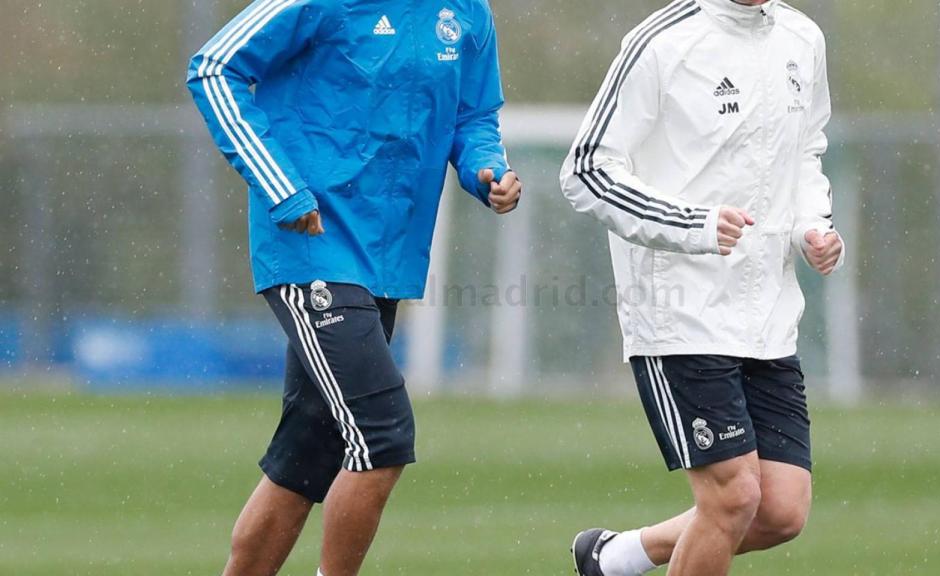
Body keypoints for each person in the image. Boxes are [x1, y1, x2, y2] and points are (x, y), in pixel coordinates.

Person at [185, 1, 521, 575]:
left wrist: (487, 169)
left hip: (386, 256)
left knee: (306, 453)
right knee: (383, 433)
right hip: (311, 243)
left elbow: (474, 116)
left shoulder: (468, 10)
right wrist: (280, 186)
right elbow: (214, 68)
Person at [559, 1, 843, 575]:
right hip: (680, 312)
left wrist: (813, 226)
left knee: (781, 510)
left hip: (767, 316)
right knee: (733, 497)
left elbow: (806, 153)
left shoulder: (802, 37)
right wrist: (693, 224)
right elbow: (587, 171)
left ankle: (614, 558)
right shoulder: (662, 41)